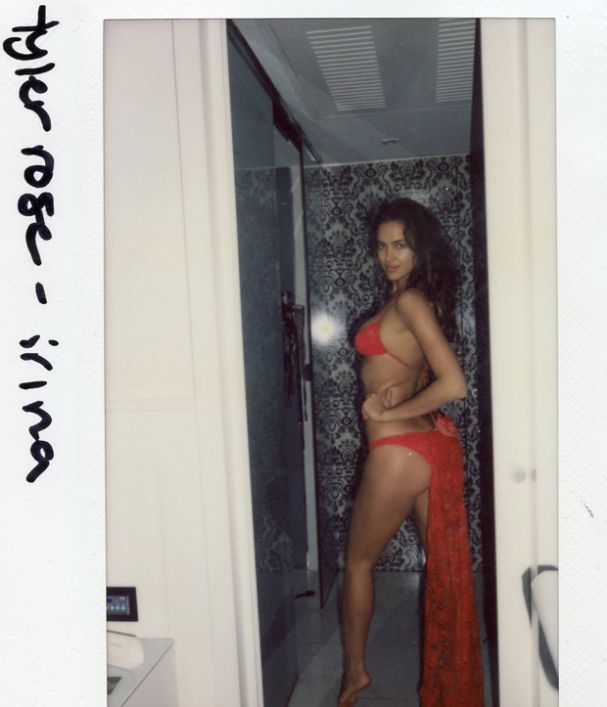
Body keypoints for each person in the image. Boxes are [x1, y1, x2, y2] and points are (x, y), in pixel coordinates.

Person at [337, 198, 484, 707]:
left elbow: (454, 384)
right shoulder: (407, 300)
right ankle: (449, 687)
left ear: (420, 248)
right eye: (381, 246)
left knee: (358, 563)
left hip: (400, 450)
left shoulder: (410, 303)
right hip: (424, 447)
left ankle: (354, 673)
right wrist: (399, 403)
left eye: (399, 245)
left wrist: (389, 413)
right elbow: (420, 373)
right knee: (442, 572)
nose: (389, 256)